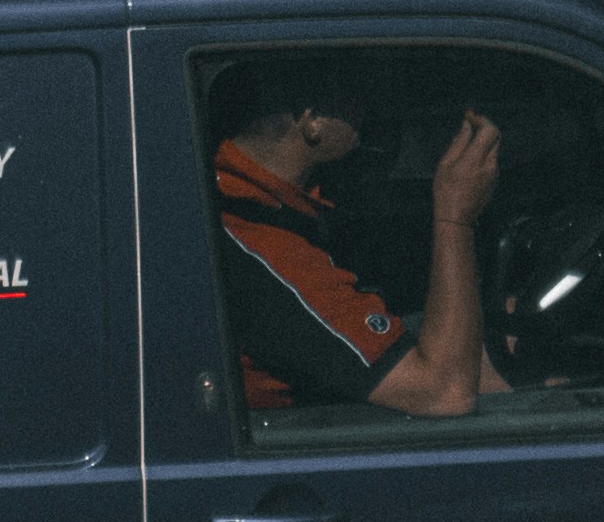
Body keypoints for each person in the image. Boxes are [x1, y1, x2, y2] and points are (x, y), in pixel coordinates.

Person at [211, 63, 508, 418]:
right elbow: (444, 392)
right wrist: (455, 217)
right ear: (313, 120)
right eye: (353, 89)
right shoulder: (258, 248)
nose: (367, 107)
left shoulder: (261, 202)